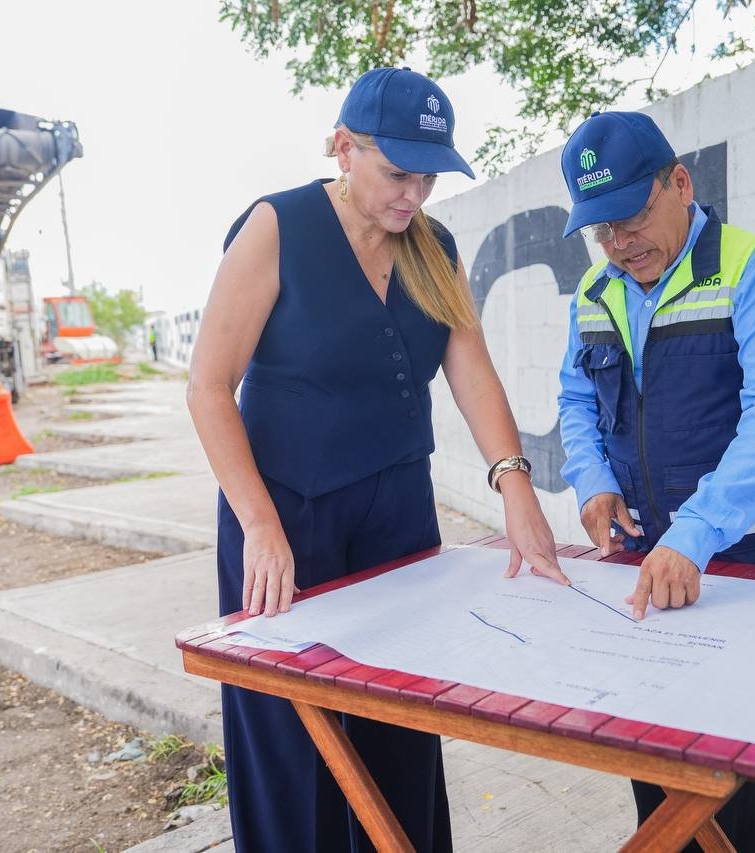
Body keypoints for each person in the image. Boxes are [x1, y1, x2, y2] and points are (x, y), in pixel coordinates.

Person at [187, 66, 568, 853]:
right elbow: (208, 386)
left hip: (397, 517)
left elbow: (473, 372)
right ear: (342, 149)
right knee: (295, 737)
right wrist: (257, 521)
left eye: (427, 174)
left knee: (400, 726)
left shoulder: (435, 249)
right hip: (285, 516)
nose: (413, 194)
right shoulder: (276, 227)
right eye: (397, 171)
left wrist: (515, 484)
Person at [555, 111, 755, 852]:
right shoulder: (596, 292)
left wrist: (696, 534)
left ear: (680, 183)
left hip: (750, 557)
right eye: (602, 230)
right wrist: (593, 480)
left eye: (633, 217)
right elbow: (576, 402)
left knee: (750, 768)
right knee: (657, 755)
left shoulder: (754, 268)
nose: (620, 243)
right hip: (647, 559)